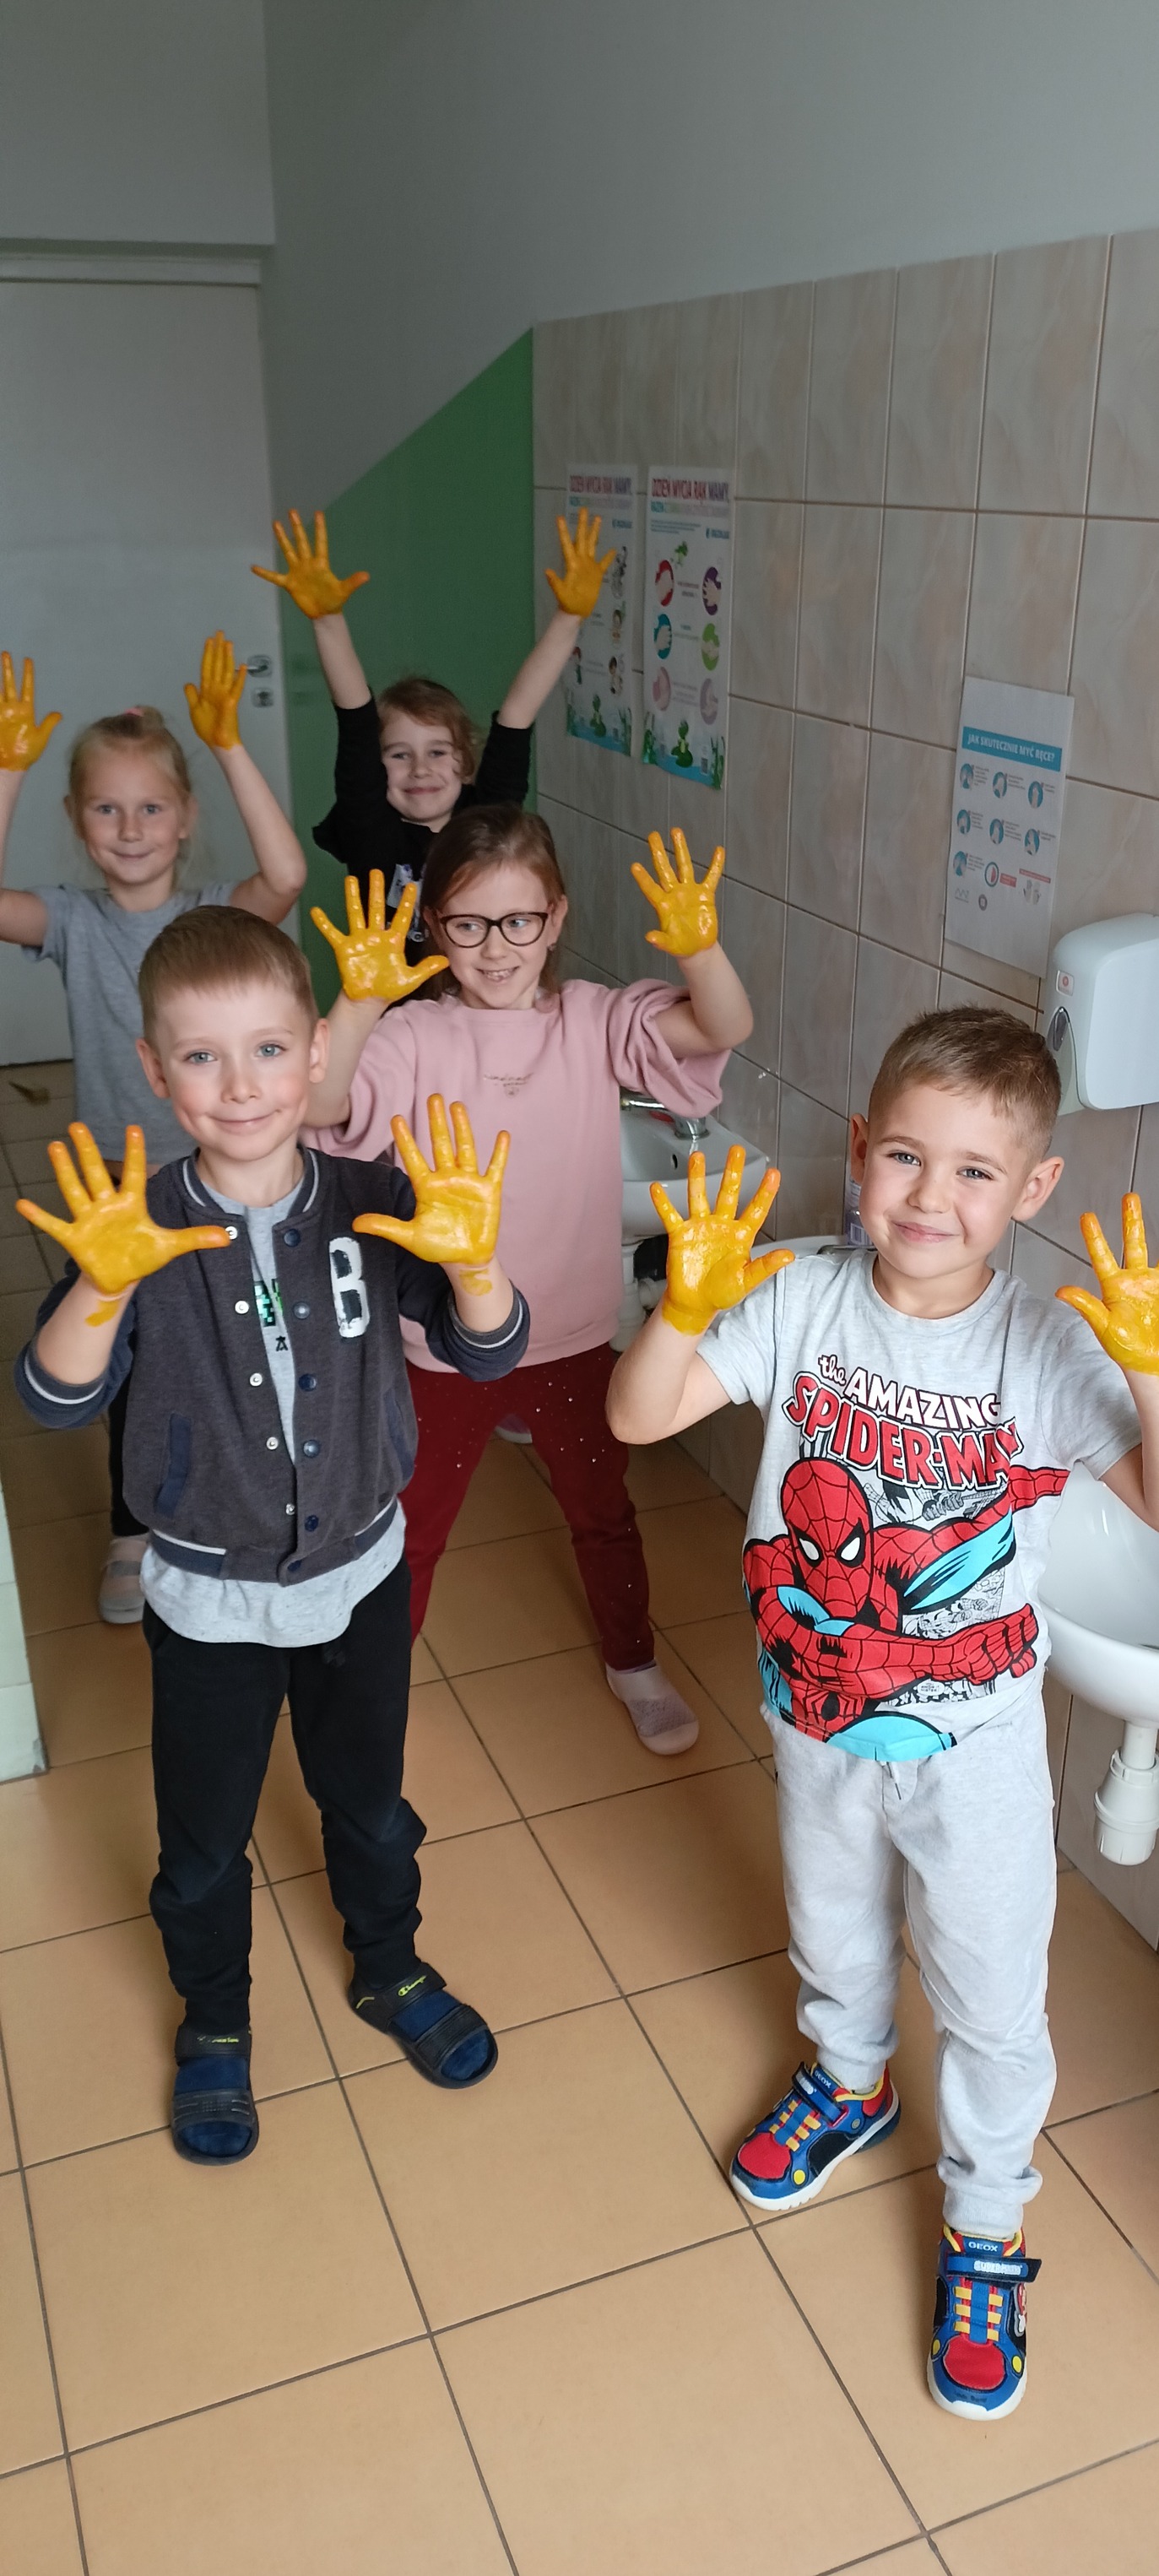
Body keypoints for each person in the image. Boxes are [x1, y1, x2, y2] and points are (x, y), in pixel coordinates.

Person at [607, 1004, 1159, 2421]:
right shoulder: (799, 1297)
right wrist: (684, 1308)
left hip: (972, 1757)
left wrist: (1148, 1374)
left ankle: (986, 2220)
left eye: (975, 1170)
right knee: (833, 1925)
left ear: (1033, 1187)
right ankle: (849, 2080)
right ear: (858, 1151)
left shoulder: (1042, 1349)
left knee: (988, 1993)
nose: (929, 1196)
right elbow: (637, 1419)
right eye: (905, 1155)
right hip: (813, 1723)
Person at [14, 905, 529, 2165]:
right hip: (208, 1600)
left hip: (360, 1573)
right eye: (201, 1056)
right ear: (153, 1069)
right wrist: (105, 1285)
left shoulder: (371, 1195)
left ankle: (391, 1965)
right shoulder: (136, 1225)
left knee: (371, 1806)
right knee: (201, 1844)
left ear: (313, 1055)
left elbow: (487, 1350)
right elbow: (53, 1398)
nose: (238, 1085)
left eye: (264, 1051)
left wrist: (476, 1267)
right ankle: (215, 2018)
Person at [305, 810, 752, 1756]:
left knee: (602, 1511)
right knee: (412, 1527)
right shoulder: (410, 1033)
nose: (495, 947)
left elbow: (722, 1025)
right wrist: (355, 1003)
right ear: (434, 924)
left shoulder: (593, 1019)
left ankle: (632, 1661)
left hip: (572, 1333)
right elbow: (322, 1104)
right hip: (444, 1338)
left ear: (555, 919)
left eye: (517, 921)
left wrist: (701, 949)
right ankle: (376, 1688)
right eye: (468, 923)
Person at [0, 639, 307, 1623]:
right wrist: (7, 769)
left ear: (184, 818)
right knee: (131, 1361)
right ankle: (132, 1529)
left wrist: (228, 747)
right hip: (120, 1193)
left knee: (238, 1345)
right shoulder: (71, 920)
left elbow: (286, 874)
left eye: (151, 807)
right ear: (75, 820)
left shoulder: (214, 914)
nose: (130, 828)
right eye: (106, 808)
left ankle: (257, 1499)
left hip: (222, 1182)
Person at [252, 504, 614, 919]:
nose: (420, 770)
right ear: (376, 766)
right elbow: (354, 717)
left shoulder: (486, 821)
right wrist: (326, 621)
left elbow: (517, 716)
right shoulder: (369, 826)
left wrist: (569, 619)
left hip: (484, 965)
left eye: (438, 752)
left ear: (465, 764)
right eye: (399, 754)